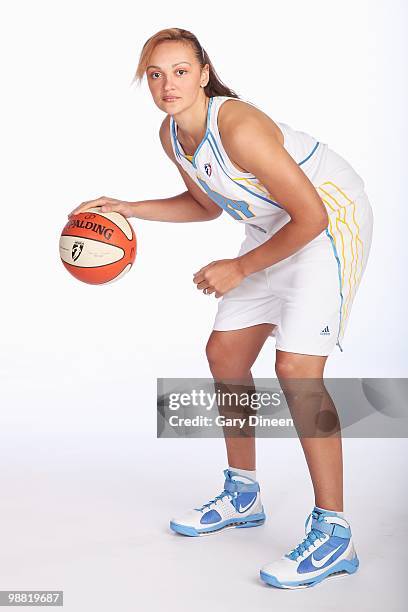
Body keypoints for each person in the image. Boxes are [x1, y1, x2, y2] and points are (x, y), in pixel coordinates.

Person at [68, 27, 373, 589]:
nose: (167, 85)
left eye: (180, 71)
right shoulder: (172, 133)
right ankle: (243, 493)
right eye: (156, 75)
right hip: (275, 226)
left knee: (297, 372)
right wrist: (124, 208)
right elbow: (205, 206)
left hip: (327, 220)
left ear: (203, 73)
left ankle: (334, 533)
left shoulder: (238, 127)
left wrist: (239, 268)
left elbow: (312, 217)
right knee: (225, 354)